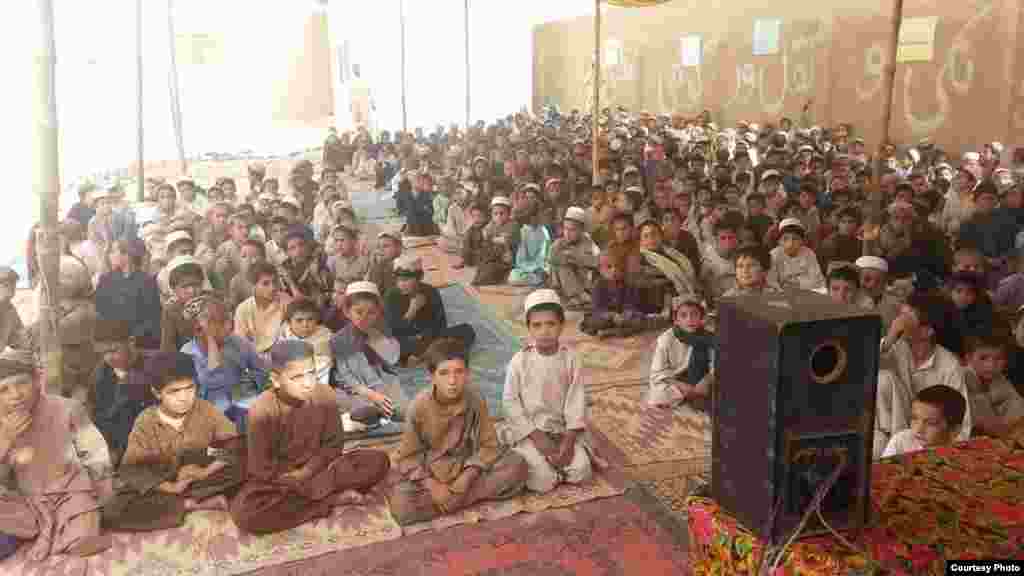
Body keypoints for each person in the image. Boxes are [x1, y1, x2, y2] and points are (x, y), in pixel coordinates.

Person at [230, 340, 391, 534]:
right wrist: (295, 479)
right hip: (283, 481)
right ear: (276, 379)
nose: (307, 383)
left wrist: (308, 472)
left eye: (311, 373)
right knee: (245, 514)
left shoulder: (325, 395)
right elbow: (260, 467)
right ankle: (326, 502)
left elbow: (334, 445)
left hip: (321, 470)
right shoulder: (261, 411)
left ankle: (317, 497)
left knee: (378, 461)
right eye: (297, 377)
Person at [388, 338, 528, 525]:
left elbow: (489, 445)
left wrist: (467, 477)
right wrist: (433, 486)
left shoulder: (475, 398)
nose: (452, 381)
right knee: (402, 507)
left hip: (465, 465)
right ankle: (461, 499)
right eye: (444, 373)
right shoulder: (418, 407)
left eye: (459, 372)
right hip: (431, 471)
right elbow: (407, 457)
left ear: (468, 373)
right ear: (432, 376)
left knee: (517, 465)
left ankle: (453, 501)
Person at [103, 352, 243, 531]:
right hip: (164, 482)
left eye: (190, 388)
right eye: (174, 391)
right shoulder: (146, 421)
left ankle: (196, 498)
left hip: (202, 476)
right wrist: (171, 487)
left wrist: (204, 471)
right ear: (157, 392)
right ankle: (191, 505)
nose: (184, 397)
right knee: (113, 508)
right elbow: (133, 468)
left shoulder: (205, 409)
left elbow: (231, 447)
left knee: (244, 459)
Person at [0, 349, 113, 560]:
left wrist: (103, 494)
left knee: (81, 543)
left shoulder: (66, 408)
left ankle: (69, 529)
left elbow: (96, 453)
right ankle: (41, 527)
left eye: (21, 383)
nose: (15, 395)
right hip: (28, 501)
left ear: (36, 380)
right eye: (4, 390)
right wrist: (5, 439)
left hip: (71, 492)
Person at [503, 290, 595, 493]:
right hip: (531, 431)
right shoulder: (520, 361)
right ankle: (546, 468)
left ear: (562, 326)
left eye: (551, 324)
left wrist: (569, 441)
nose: (544, 331)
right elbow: (510, 402)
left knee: (582, 472)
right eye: (537, 325)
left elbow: (577, 400)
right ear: (528, 328)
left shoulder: (571, 358)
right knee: (541, 482)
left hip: (562, 431)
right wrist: (536, 436)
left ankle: (559, 465)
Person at [875, 291, 972, 458]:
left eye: (906, 319)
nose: (899, 323)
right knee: (883, 379)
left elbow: (962, 423)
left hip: (930, 438)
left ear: (927, 331)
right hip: (892, 432)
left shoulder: (949, 365)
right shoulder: (895, 349)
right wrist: (890, 338)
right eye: (900, 316)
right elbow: (863, 368)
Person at [331, 282, 405, 430]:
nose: (364, 318)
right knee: (363, 411)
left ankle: (377, 413)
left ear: (378, 313)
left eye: (371, 313)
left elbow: (392, 360)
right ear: (347, 312)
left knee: (403, 412)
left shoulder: (380, 332)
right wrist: (371, 394)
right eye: (359, 312)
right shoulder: (339, 339)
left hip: (379, 380)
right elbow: (346, 376)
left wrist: (375, 338)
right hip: (353, 387)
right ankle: (363, 415)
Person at [383, 255, 476, 366]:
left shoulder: (431, 292)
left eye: (406, 280)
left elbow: (441, 324)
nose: (401, 284)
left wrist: (425, 336)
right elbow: (392, 330)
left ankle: (422, 357)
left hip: (428, 339)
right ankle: (427, 356)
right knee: (387, 347)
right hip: (405, 341)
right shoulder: (391, 295)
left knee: (467, 330)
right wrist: (411, 311)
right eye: (398, 280)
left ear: (420, 277)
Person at [181, 293, 268, 412]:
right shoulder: (188, 353)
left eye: (228, 319)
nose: (229, 326)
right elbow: (210, 378)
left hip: (241, 399)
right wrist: (211, 340)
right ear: (198, 331)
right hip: (207, 407)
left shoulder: (237, 343)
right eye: (222, 322)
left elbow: (260, 369)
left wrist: (250, 384)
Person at [91, 319, 158, 465]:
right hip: (119, 447)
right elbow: (100, 417)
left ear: (131, 342)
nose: (108, 358)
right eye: (103, 353)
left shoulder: (155, 365)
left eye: (113, 350)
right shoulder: (102, 374)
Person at [647, 297, 716, 411]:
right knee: (658, 396)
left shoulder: (709, 338)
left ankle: (694, 395)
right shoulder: (666, 339)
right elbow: (658, 371)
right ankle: (693, 395)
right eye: (683, 316)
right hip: (677, 378)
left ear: (701, 318)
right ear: (676, 320)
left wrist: (707, 380)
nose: (689, 320)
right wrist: (683, 386)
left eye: (694, 315)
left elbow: (716, 364)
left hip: (702, 378)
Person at [95, 238, 162, 349]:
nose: (109, 255)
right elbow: (99, 311)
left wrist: (133, 337)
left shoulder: (146, 282)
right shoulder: (105, 280)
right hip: (111, 343)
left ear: (127, 255)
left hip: (140, 344)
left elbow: (153, 318)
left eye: (113, 251)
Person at [964, 331, 1024, 438]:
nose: (991, 365)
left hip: (1002, 433)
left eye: (998, 359)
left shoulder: (1000, 379)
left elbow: (1017, 405)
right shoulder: (963, 378)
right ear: (968, 358)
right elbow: (981, 420)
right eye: (983, 358)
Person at [881, 385, 967, 458]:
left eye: (931, 423)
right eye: (914, 418)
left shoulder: (962, 454)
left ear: (955, 430)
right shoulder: (900, 441)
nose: (918, 429)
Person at [580, 247, 646, 338]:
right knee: (592, 321)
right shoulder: (598, 285)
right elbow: (597, 308)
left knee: (639, 320)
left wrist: (625, 314)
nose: (614, 270)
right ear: (600, 270)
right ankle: (615, 331)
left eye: (617, 266)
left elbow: (631, 305)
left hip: (622, 317)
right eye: (609, 267)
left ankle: (610, 332)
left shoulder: (628, 283)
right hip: (605, 318)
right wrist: (612, 316)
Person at [547, 206, 599, 309]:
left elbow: (597, 261)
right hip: (562, 284)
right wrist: (565, 257)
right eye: (565, 229)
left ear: (581, 230)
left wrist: (577, 258)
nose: (567, 233)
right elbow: (551, 259)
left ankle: (579, 297)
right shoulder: (559, 243)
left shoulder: (588, 242)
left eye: (572, 230)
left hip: (584, 282)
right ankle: (574, 297)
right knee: (561, 266)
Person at [234, 261, 286, 357]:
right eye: (265, 284)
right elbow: (241, 345)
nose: (273, 287)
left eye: (274, 282)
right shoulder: (243, 309)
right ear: (254, 286)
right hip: (255, 360)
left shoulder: (285, 302)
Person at [277, 299, 333, 386]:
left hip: (316, 382)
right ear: (289, 322)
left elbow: (324, 367)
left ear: (317, 320)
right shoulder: (281, 335)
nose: (305, 325)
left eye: (310, 319)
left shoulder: (325, 336)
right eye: (299, 320)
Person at [472, 196, 520, 286]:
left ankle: (495, 276)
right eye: (495, 214)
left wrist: (491, 238)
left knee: (492, 270)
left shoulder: (513, 225)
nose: (498, 216)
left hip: (507, 257)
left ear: (509, 214)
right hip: (494, 255)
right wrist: (488, 236)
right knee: (483, 263)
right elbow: (485, 233)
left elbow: (505, 240)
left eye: (502, 213)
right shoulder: (492, 224)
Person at [160, 256, 205, 353]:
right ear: (174, 289)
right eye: (185, 287)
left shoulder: (210, 303)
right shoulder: (171, 311)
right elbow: (167, 347)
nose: (191, 291)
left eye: (196, 285)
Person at [768, 218, 825, 291]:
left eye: (795, 239)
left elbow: (818, 280)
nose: (790, 243)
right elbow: (771, 281)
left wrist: (797, 284)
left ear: (802, 241)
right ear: (779, 241)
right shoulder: (774, 255)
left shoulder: (809, 253)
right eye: (785, 239)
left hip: (806, 293)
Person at [508, 203, 551, 286]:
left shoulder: (545, 231)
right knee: (514, 277)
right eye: (540, 215)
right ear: (532, 216)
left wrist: (544, 269)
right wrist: (534, 269)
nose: (542, 217)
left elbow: (547, 255)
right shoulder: (523, 232)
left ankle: (541, 279)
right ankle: (540, 280)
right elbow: (520, 261)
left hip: (543, 268)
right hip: (527, 270)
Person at [366, 232, 403, 296]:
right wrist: (374, 266)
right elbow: (372, 291)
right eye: (379, 246)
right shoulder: (378, 266)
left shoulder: (403, 266)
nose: (381, 250)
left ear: (399, 248)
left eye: (386, 246)